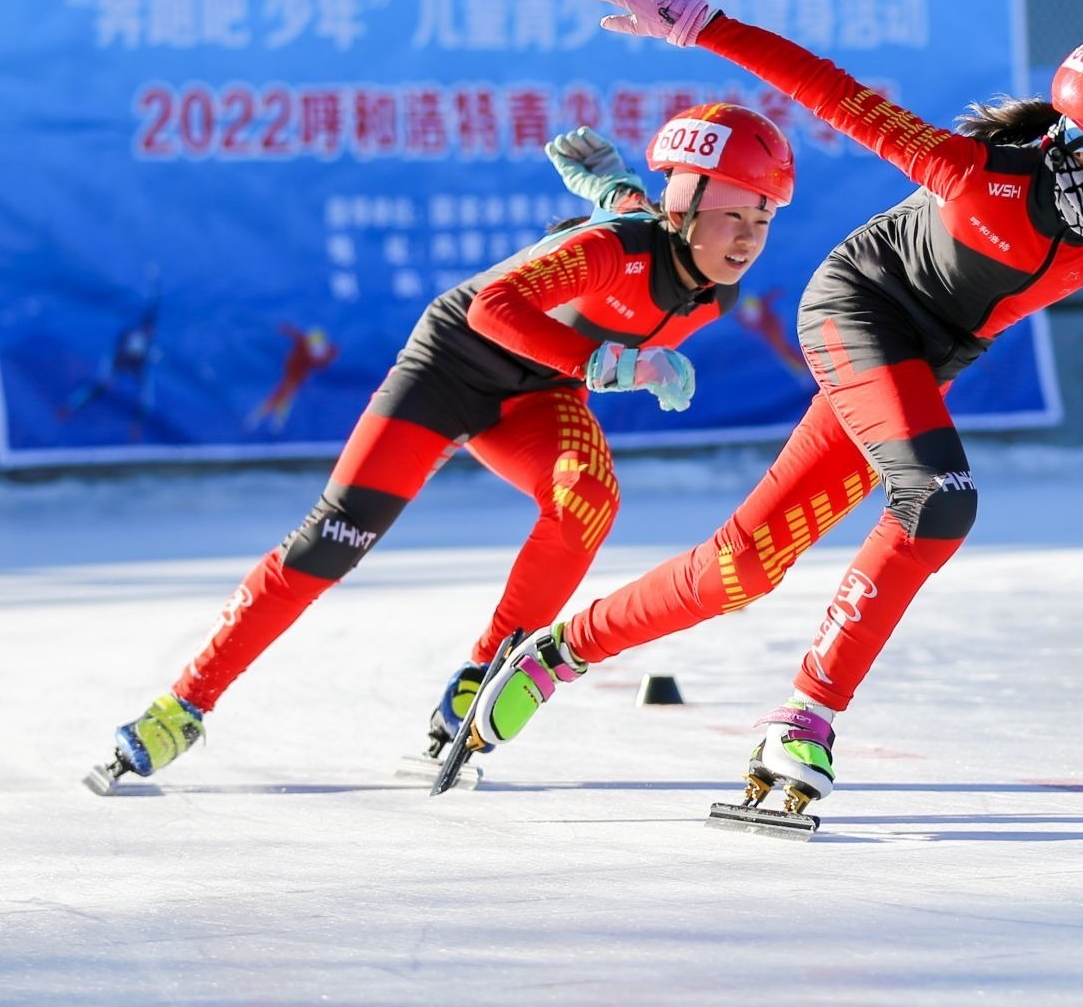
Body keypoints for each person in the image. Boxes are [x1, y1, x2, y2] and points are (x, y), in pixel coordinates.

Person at [465, 0, 1083, 818]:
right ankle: (804, 721)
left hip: (917, 367)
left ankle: (559, 650)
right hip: (856, 311)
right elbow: (830, 91)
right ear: (1076, 138)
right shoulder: (976, 172)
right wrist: (696, 23)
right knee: (939, 498)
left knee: (744, 565)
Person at [96, 102, 797, 786]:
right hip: (448, 368)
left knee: (587, 499)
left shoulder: (712, 296)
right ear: (683, 205)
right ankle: (183, 703)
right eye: (733, 213)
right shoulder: (612, 247)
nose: (747, 237)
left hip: (538, 396)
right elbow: (494, 306)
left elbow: (638, 219)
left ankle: (482, 679)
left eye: (763, 218)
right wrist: (604, 362)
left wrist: (615, 203)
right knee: (331, 541)